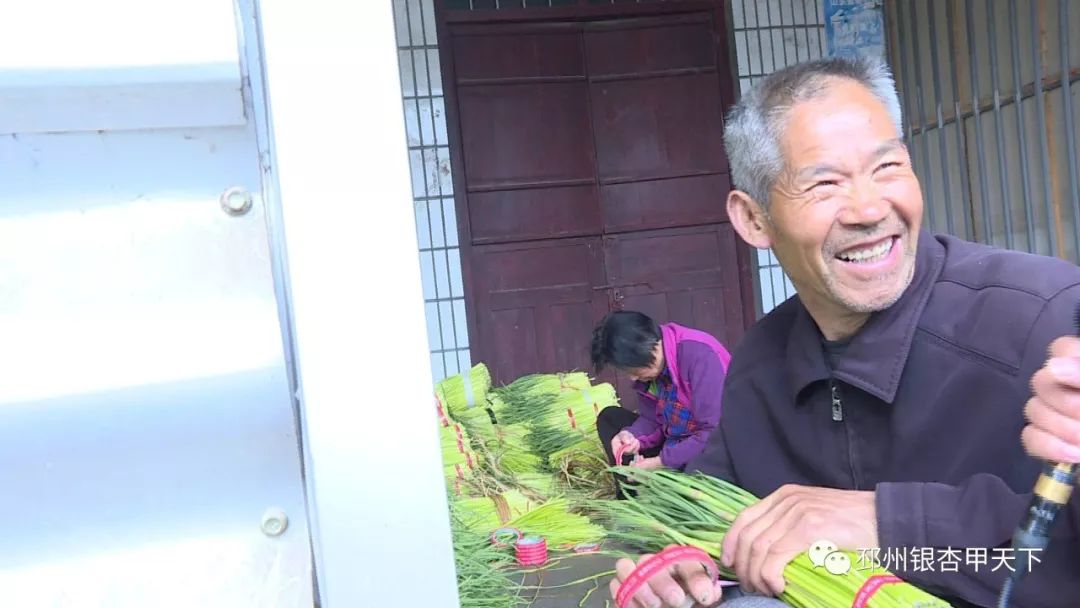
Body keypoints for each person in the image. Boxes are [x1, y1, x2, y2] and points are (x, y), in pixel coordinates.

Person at [608, 56, 1080, 608]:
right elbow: (716, 521)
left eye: (888, 168)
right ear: (754, 220)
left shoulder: (1049, 317)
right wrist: (681, 566)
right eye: (825, 183)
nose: (870, 208)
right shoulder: (760, 364)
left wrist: (886, 524)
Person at [591, 311, 731, 495]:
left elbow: (714, 433)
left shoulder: (700, 356)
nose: (633, 377)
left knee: (692, 483)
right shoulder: (652, 370)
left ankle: (661, 492)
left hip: (713, 450)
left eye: (634, 369)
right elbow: (652, 418)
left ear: (653, 346)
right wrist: (633, 437)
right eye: (627, 371)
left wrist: (660, 463)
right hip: (675, 446)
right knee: (609, 418)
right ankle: (631, 494)